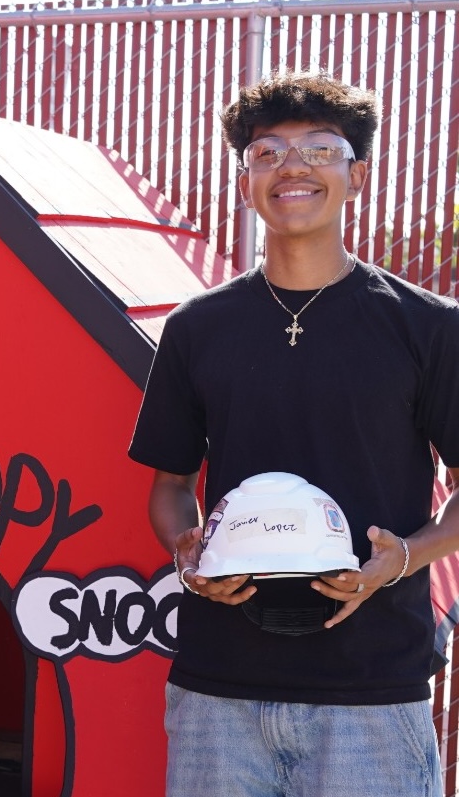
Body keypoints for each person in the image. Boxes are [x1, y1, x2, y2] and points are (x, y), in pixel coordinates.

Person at [129, 71, 459, 797]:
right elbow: (170, 487)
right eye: (266, 153)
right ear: (245, 182)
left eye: (318, 148)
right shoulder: (195, 327)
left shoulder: (427, 324)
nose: (292, 167)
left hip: (372, 687)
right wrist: (186, 551)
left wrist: (400, 558)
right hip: (218, 689)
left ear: (356, 175)